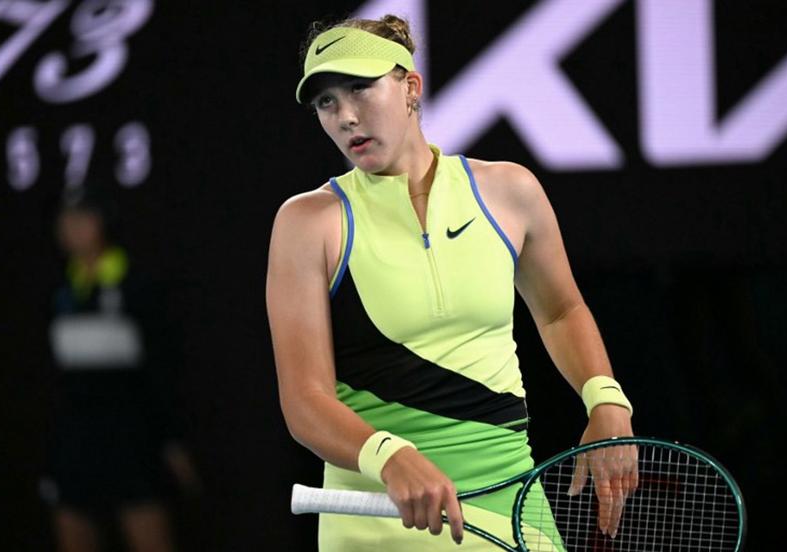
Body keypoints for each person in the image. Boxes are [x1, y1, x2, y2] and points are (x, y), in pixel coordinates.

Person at [266, 14, 635, 550]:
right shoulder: (308, 223)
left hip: (511, 505)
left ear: (410, 87)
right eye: (326, 101)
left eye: (360, 88)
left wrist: (605, 400)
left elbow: (561, 311)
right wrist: (389, 456)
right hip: (379, 517)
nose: (345, 116)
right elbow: (305, 399)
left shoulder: (510, 191)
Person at [40, 185, 200, 552]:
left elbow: (164, 370)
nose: (72, 227)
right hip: (73, 441)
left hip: (131, 440)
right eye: (65, 219)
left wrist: (173, 440)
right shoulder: (57, 290)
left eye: (83, 218)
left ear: (103, 222)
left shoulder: (138, 284)